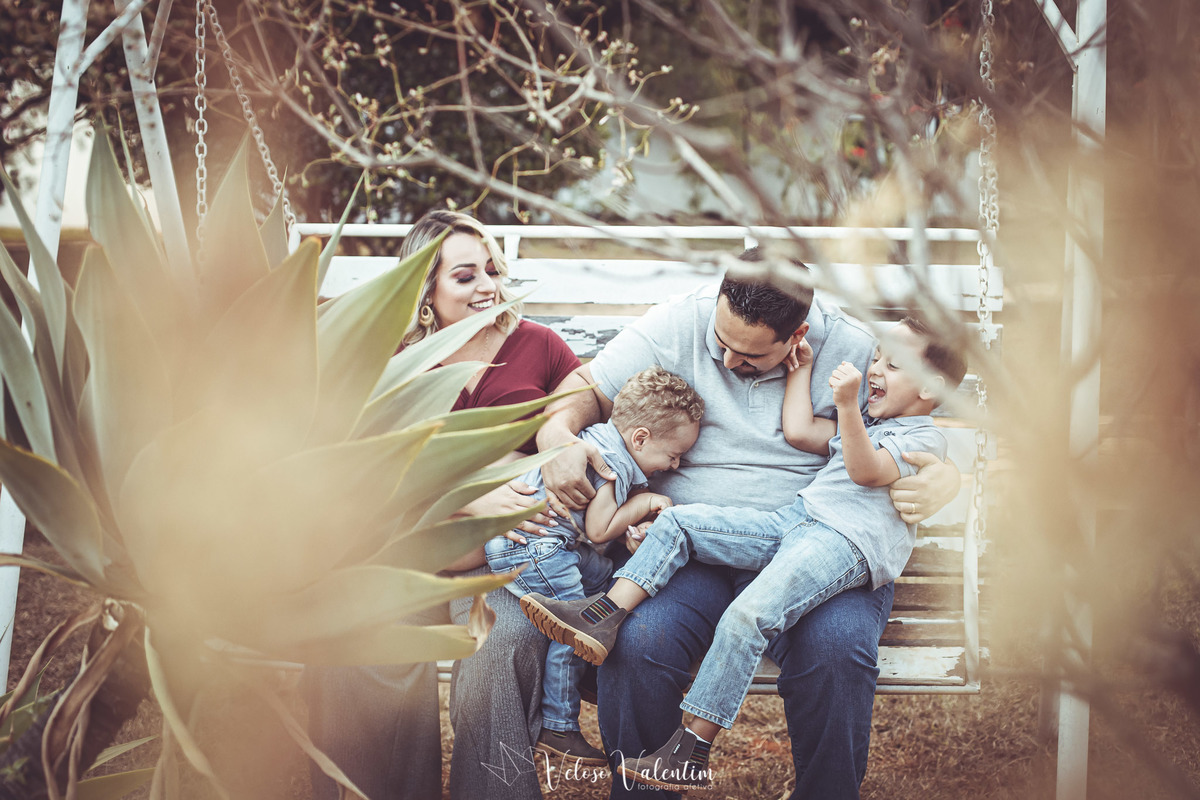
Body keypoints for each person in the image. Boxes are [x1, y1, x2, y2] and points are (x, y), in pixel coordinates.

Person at [535, 248, 961, 799]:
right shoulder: (678, 321)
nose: (727, 358)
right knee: (643, 639)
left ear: (797, 337)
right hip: (703, 549)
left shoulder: (861, 352)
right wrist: (556, 438)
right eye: (722, 340)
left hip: (820, 545)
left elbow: (921, 424)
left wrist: (948, 476)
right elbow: (585, 387)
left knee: (836, 648)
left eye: (749, 355)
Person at [302, 209, 582, 800]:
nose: (487, 287)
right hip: (411, 548)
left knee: (499, 646)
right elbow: (362, 472)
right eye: (464, 276)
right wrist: (473, 491)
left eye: (491, 270)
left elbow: (581, 411)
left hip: (501, 565)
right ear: (424, 290)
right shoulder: (391, 361)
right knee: (360, 637)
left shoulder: (540, 345)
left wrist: (555, 441)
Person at [484, 366, 704, 767]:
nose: (673, 466)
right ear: (640, 438)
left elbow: (593, 527)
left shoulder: (597, 439)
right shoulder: (613, 464)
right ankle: (559, 726)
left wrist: (628, 532)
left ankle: (593, 682)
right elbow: (599, 529)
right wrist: (645, 503)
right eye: (673, 456)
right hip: (536, 547)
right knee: (579, 627)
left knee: (607, 583)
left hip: (541, 545)